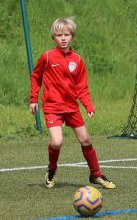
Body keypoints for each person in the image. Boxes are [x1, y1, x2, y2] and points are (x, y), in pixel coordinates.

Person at [30, 17, 115, 189]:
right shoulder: (46, 57)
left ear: (72, 37)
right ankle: (52, 170)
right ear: (53, 37)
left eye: (67, 34)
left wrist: (88, 105)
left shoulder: (77, 60)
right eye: (59, 35)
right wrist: (33, 100)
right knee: (57, 142)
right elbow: (36, 77)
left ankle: (96, 174)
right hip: (52, 106)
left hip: (71, 107)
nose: (63, 38)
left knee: (85, 139)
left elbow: (82, 86)